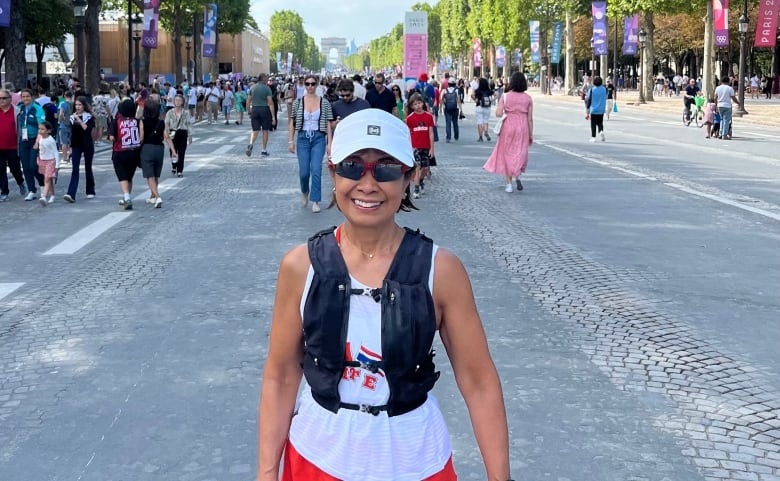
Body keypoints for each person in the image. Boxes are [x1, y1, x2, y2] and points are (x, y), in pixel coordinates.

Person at [257, 107, 512, 481]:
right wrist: (266, 473)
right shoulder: (300, 267)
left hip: (416, 459)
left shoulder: (441, 270)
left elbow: (478, 381)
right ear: (332, 172)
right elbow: (280, 375)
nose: (368, 184)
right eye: (353, 166)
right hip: (318, 456)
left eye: (387, 168)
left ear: (408, 177)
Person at [288, 74, 334, 214]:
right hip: (302, 138)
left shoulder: (324, 102)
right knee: (304, 172)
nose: (310, 86)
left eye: (313, 84)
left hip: (318, 138)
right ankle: (304, 191)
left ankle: (315, 200)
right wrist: (291, 140)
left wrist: (329, 143)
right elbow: (292, 121)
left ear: (317, 84)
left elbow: (328, 124)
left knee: (316, 169)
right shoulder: (298, 102)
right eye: (307, 84)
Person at [483, 72, 534, 193]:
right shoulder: (528, 98)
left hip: (508, 126)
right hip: (522, 127)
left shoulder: (505, 96)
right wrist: (531, 134)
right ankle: (517, 174)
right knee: (520, 151)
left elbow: (498, 114)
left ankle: (509, 185)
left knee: (507, 153)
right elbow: (530, 119)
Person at [108, 99, 142, 210]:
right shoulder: (137, 121)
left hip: (119, 151)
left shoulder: (116, 121)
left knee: (122, 176)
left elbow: (112, 137)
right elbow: (141, 136)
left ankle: (126, 197)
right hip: (134, 152)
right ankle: (127, 196)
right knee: (129, 176)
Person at [140, 97, 173, 208]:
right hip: (159, 149)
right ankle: (152, 196)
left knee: (150, 175)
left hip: (147, 148)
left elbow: (141, 137)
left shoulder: (142, 122)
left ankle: (157, 196)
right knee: (156, 174)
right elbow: (167, 137)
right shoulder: (161, 122)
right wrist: (173, 151)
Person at [63, 96, 96, 203]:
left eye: (79, 105)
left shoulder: (89, 117)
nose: (77, 107)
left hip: (87, 144)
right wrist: (70, 148)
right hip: (76, 145)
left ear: (84, 105)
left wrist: (79, 119)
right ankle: (71, 193)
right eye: (76, 105)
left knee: (88, 168)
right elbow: (71, 134)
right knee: (75, 169)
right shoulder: (72, 117)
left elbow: (86, 128)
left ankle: (90, 190)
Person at [17, 88, 46, 200]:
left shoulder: (38, 109)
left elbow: (42, 127)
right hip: (23, 140)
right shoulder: (20, 108)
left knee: (33, 166)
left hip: (35, 140)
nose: (25, 99)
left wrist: (37, 142)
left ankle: (43, 184)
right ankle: (31, 190)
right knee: (25, 167)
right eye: (23, 97)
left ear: (32, 97)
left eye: (27, 96)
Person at [405, 93, 434, 199]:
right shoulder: (410, 118)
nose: (418, 106)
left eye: (419, 103)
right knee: (417, 167)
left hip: (425, 145)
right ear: (412, 106)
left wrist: (432, 148)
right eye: (415, 104)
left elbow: (431, 133)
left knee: (425, 168)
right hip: (415, 146)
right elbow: (407, 133)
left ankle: (421, 181)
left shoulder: (428, 116)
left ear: (423, 103)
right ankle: (416, 188)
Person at [0, 89, 26, 201]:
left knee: (15, 168)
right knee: (0, 170)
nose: (1, 100)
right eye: (0, 98)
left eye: (4, 98)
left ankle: (20, 182)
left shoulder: (17, 111)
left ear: (10, 99)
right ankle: (4, 192)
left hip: (13, 146)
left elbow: (21, 128)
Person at [246, 74, 276, 157]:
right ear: (263, 79)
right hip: (264, 110)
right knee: (265, 131)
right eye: (266, 78)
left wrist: (249, 112)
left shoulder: (252, 88)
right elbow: (270, 103)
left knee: (255, 130)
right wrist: (273, 117)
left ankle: (251, 144)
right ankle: (263, 150)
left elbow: (248, 101)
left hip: (255, 109)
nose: (267, 80)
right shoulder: (267, 89)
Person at [165, 94, 193, 177]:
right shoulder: (169, 112)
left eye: (179, 100)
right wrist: (166, 135)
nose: (177, 102)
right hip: (172, 133)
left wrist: (190, 135)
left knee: (182, 152)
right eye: (176, 100)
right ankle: (174, 165)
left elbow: (189, 124)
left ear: (182, 102)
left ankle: (180, 170)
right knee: (172, 151)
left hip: (182, 133)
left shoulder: (186, 113)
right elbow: (166, 124)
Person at [34, 121, 59, 206]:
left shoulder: (51, 140)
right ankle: (52, 195)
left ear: (48, 131)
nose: (40, 131)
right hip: (42, 161)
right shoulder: (39, 137)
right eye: (39, 129)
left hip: (51, 161)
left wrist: (57, 164)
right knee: (49, 178)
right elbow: (37, 146)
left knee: (47, 179)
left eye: (42, 129)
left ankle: (44, 196)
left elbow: (56, 152)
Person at [714, 76, 740, 140]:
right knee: (726, 120)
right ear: (728, 81)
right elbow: (733, 98)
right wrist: (738, 103)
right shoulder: (730, 88)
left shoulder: (717, 88)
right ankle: (724, 135)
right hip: (727, 105)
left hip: (720, 105)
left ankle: (720, 133)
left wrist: (716, 105)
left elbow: (715, 98)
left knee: (722, 119)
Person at [471, 77, 494, 142]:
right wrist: (492, 100)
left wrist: (475, 100)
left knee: (479, 122)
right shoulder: (488, 90)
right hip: (487, 107)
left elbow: (472, 95)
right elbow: (496, 94)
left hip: (479, 106)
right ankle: (486, 132)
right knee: (486, 121)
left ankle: (480, 137)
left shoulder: (477, 90)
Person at [585, 76, 607, 143]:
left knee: (593, 124)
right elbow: (606, 95)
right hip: (601, 109)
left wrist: (587, 111)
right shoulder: (604, 89)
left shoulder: (592, 90)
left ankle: (593, 137)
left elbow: (588, 100)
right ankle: (601, 131)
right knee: (600, 123)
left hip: (593, 109)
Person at [58, 90, 74, 165]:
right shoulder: (74, 104)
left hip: (64, 125)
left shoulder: (63, 104)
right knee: (71, 142)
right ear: (71, 96)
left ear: (64, 96)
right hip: (72, 124)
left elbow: (61, 114)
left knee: (64, 143)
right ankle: (71, 157)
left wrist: (60, 120)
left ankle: (65, 158)